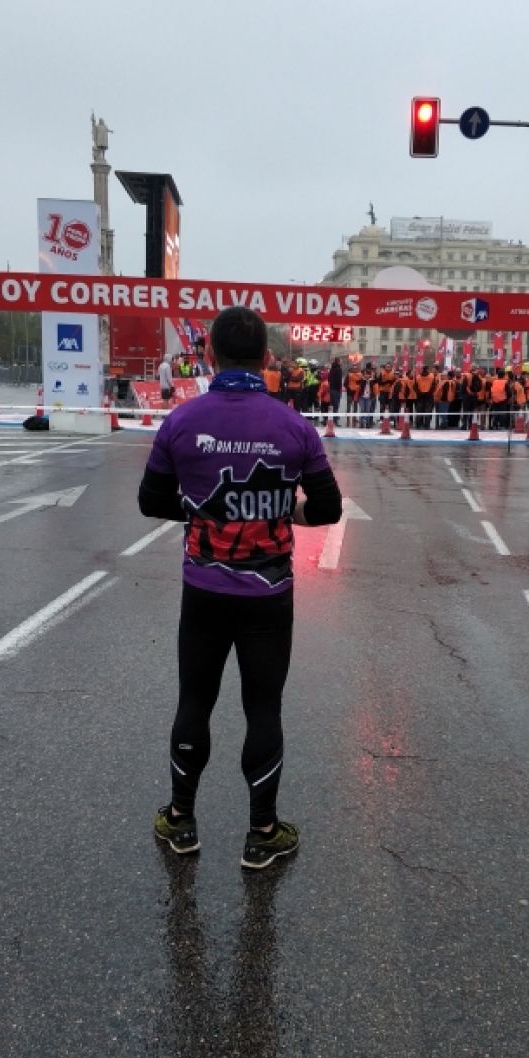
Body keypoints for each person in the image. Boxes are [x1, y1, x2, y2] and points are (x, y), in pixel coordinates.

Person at [138, 306, 343, 866]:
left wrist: (210, 509)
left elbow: (151, 501)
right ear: (268, 359)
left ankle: (181, 821)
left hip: (202, 591)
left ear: (209, 355)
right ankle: (262, 832)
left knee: (195, 702)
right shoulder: (295, 426)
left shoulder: (181, 421)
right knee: (263, 708)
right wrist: (281, 512)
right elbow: (327, 507)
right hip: (269, 595)